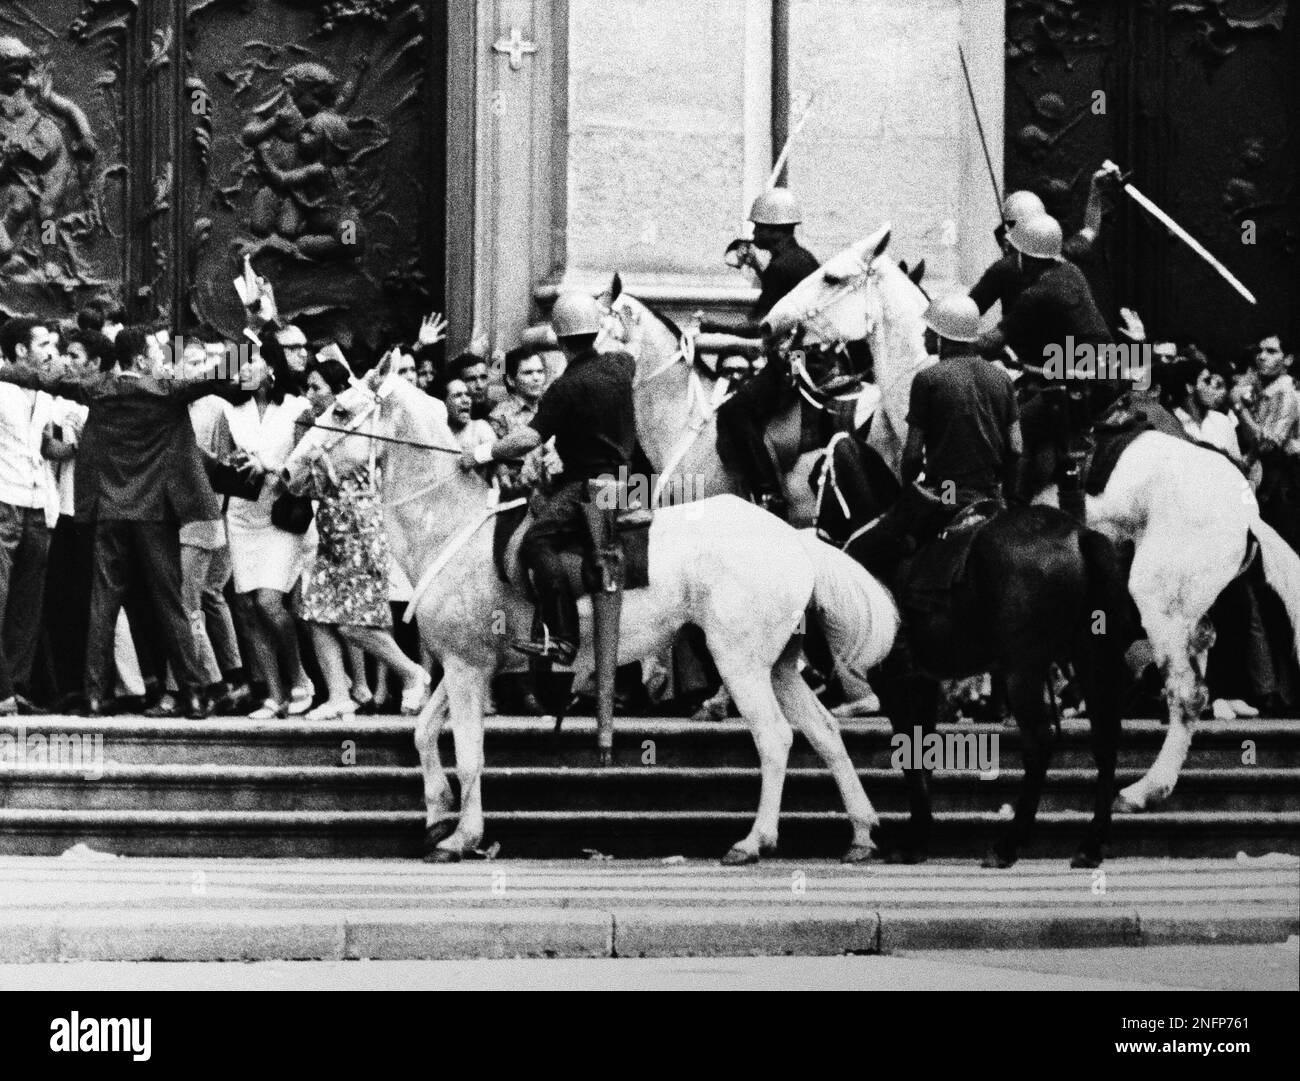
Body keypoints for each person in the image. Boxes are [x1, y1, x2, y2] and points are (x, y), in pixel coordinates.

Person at [0, 324, 247, 718]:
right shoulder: (168, 390)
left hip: (108, 512)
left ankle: (96, 695)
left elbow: (33, 375)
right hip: (152, 513)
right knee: (171, 603)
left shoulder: (97, 389)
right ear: (139, 359)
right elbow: (231, 364)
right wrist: (246, 332)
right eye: (154, 351)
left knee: (103, 604)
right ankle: (195, 693)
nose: (160, 357)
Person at [459, 291, 636, 664]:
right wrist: (620, 327)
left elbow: (529, 438)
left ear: (559, 340)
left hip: (587, 487)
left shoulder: (566, 387)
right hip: (627, 482)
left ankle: (563, 637)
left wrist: (480, 453)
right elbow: (630, 345)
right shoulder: (620, 367)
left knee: (536, 542)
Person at [292, 362, 431, 720]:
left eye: (316, 386)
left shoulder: (366, 425)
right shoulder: (322, 431)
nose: (311, 395)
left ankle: (412, 672)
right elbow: (302, 485)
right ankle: (338, 694)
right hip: (330, 533)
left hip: (362, 534)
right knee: (317, 613)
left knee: (354, 623)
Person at [852, 294, 1021, 575]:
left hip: (947, 493)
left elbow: (913, 453)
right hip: (990, 494)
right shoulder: (1001, 377)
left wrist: (908, 495)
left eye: (931, 330)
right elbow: (1016, 448)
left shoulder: (928, 380)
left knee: (878, 552)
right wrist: (1009, 498)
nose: (924, 334)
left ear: (944, 338)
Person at [973, 213, 1115, 502]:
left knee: (1011, 431)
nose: (1014, 259)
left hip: (1085, 383)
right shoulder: (1070, 270)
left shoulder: (1036, 295)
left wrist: (949, 338)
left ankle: (1014, 510)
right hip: (1114, 367)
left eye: (1018, 253)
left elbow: (989, 345)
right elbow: (1089, 230)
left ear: (1031, 258)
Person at [704, 188, 820, 518]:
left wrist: (712, 325)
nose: (754, 234)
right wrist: (757, 266)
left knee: (734, 412)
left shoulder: (783, 267)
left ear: (776, 229)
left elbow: (761, 324)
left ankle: (769, 494)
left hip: (791, 363)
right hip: (807, 357)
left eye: (759, 228)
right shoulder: (803, 259)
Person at [219, 328, 315, 718]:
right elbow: (227, 458)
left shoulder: (298, 407)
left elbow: (308, 465)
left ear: (271, 366)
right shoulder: (231, 409)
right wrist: (230, 467)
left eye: (249, 361)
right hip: (242, 515)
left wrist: (270, 467)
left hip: (281, 517)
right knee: (247, 605)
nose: (240, 369)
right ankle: (273, 695)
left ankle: (299, 680)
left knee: (270, 602)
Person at [0, 317, 59, 715]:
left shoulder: (48, 392)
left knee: (27, 603)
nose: (51, 351)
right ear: (21, 350)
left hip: (39, 503)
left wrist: (66, 444)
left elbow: (43, 443)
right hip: (3, 498)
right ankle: (3, 690)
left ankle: (17, 686)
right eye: (43, 344)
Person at [970, 172, 1111, 317]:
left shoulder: (1005, 269)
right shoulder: (1065, 255)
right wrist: (1096, 190)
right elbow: (1091, 228)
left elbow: (966, 312)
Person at [446, 351, 493, 421]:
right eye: (471, 379)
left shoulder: (495, 415)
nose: (479, 386)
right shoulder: (446, 419)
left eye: (483, 377)